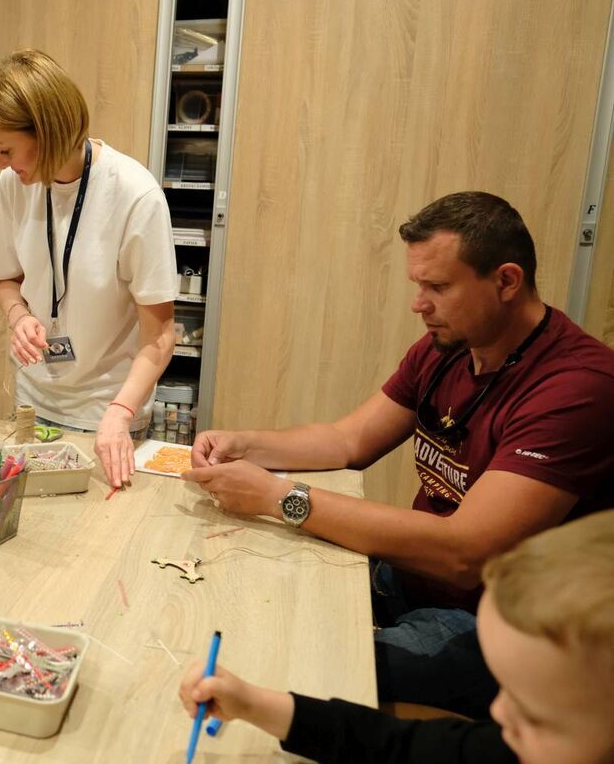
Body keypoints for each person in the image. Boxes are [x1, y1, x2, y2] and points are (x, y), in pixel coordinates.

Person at [185, 191, 614, 716]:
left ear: (506, 281)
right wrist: (244, 444)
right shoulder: (449, 347)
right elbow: (349, 441)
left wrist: (279, 497)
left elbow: (465, 553)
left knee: (291, 668)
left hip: (502, 621)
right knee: (242, 601)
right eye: (418, 286)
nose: (419, 304)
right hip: (412, 577)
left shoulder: (578, 387)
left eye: (438, 287)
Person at [176, 510, 614, 764]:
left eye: (534, 713)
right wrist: (252, 703)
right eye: (503, 687)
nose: (496, 711)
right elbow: (399, 746)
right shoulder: (512, 745)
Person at [0, 49, 178, 491]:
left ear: (46, 131)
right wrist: (19, 316)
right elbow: (5, 277)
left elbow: (160, 336)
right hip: (34, 399)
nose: (1, 164)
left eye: (6, 149)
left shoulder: (134, 195)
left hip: (108, 413)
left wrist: (120, 415)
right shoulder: (14, 185)